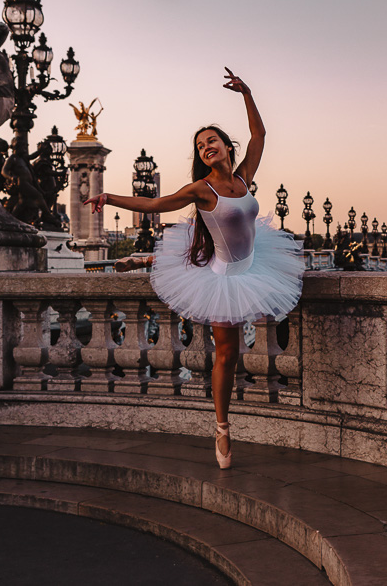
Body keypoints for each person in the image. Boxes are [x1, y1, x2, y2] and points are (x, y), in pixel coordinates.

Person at [84, 68, 304, 469]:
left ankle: (225, 419)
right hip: (224, 279)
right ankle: (222, 427)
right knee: (226, 355)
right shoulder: (201, 190)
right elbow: (154, 204)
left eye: (212, 141)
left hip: (258, 266)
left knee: (239, 351)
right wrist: (110, 197)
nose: (207, 147)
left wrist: (248, 93)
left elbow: (259, 136)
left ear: (225, 146)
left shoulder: (243, 178)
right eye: (201, 145)